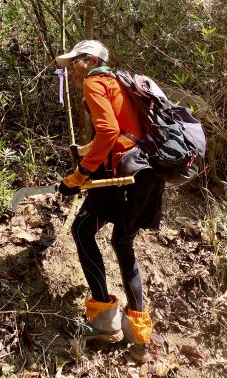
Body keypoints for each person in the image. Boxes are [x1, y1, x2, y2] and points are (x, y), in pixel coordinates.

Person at [55, 40, 165, 363]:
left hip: (127, 172)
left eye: (74, 62)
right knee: (121, 243)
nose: (72, 70)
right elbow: (119, 133)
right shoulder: (117, 81)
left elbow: (108, 132)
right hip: (146, 171)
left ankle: (103, 319)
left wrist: (79, 176)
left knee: (83, 230)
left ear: (89, 61)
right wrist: (86, 153)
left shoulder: (94, 82)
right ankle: (139, 340)